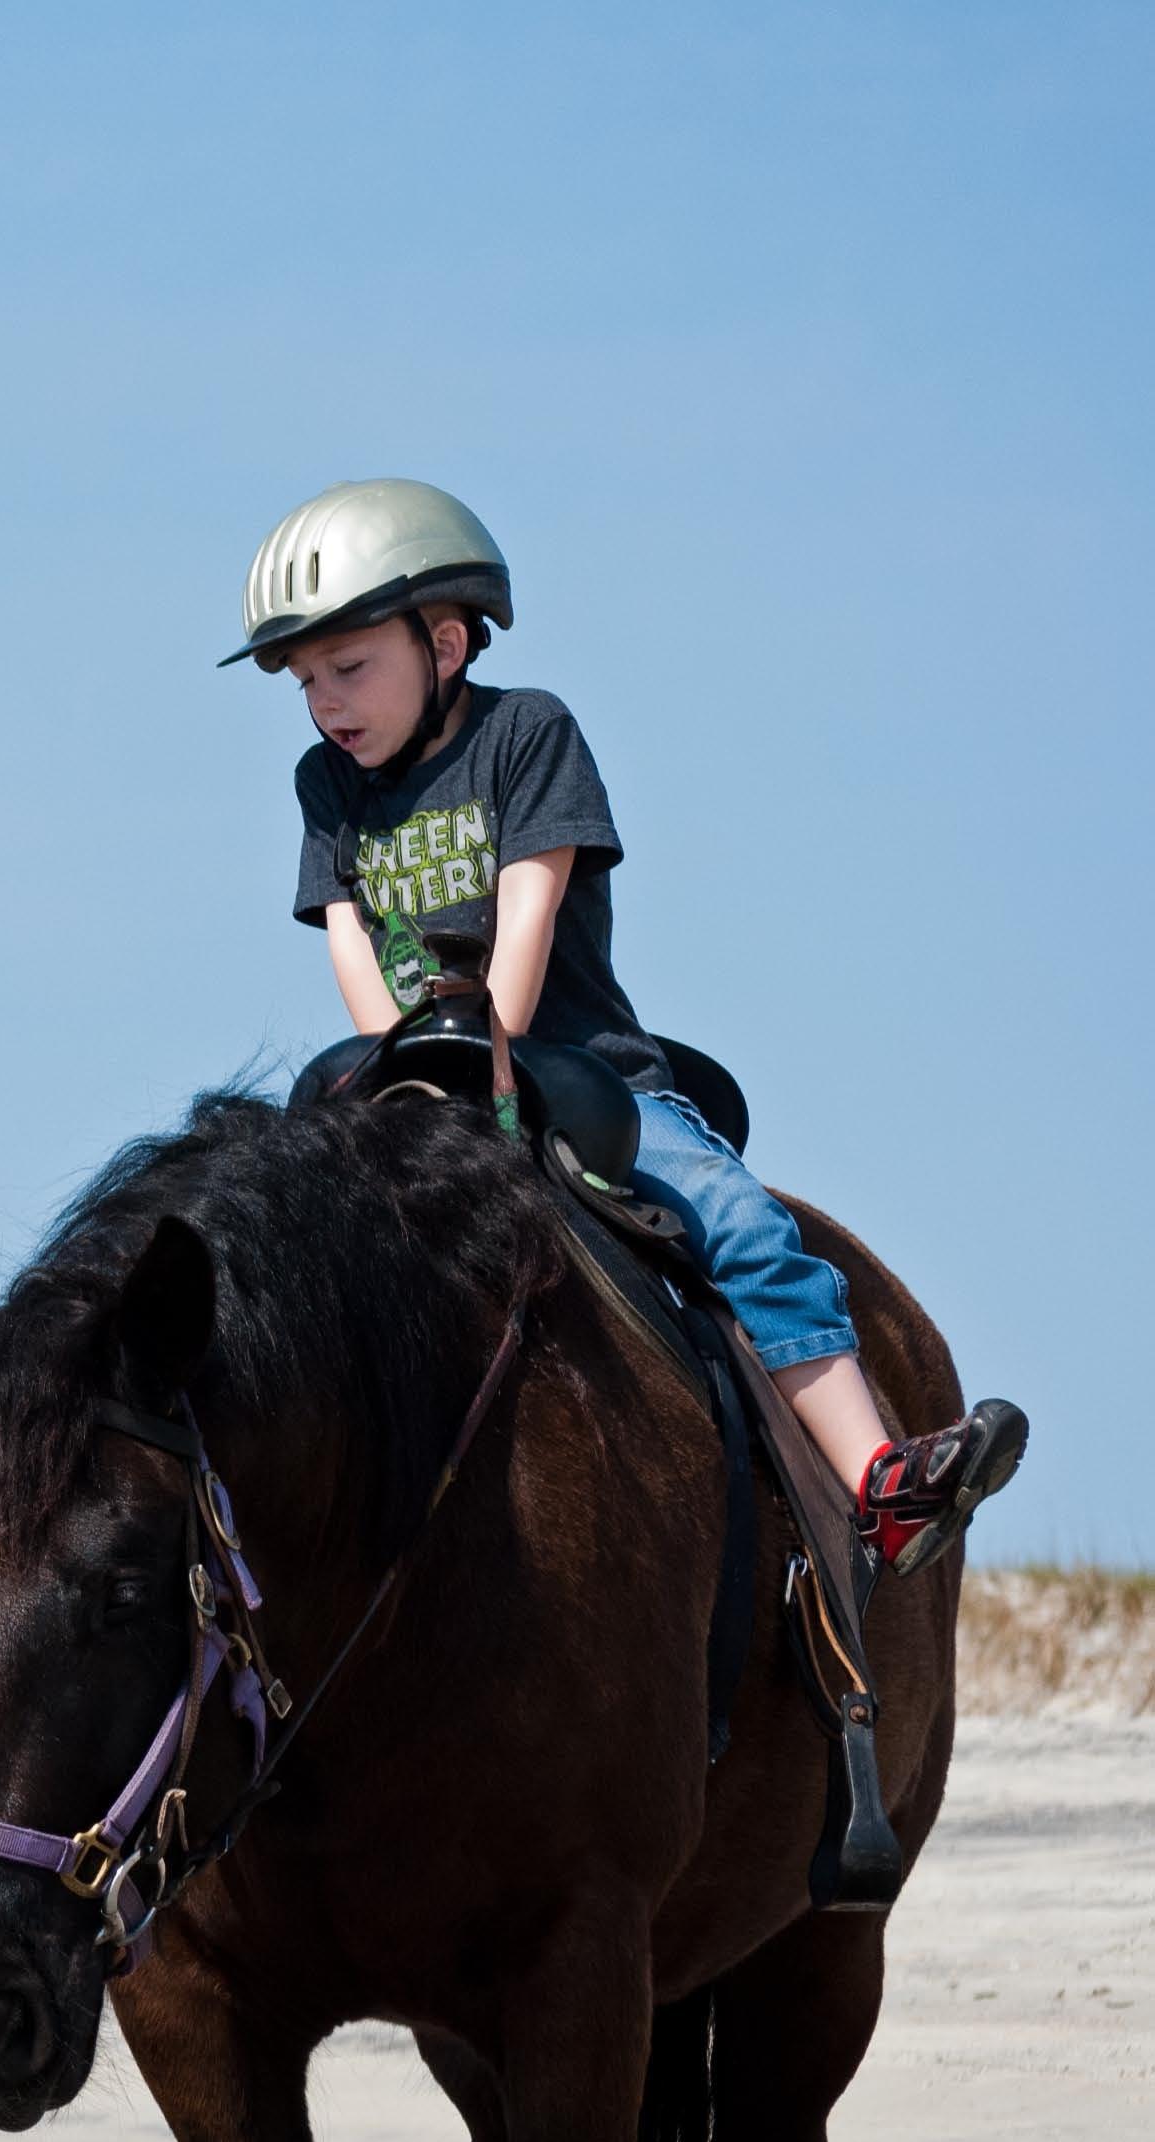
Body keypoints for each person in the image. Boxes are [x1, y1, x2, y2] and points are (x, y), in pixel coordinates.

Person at [225, 478, 1022, 1575]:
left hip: (580, 1078)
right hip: (416, 1094)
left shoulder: (526, 733)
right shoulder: (326, 783)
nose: (325, 702)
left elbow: (529, 911)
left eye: (348, 667)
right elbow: (350, 939)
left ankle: (877, 1480)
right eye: (305, 681)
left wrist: (482, 1055)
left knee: (738, 1222)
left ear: (444, 644)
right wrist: (400, 1081)